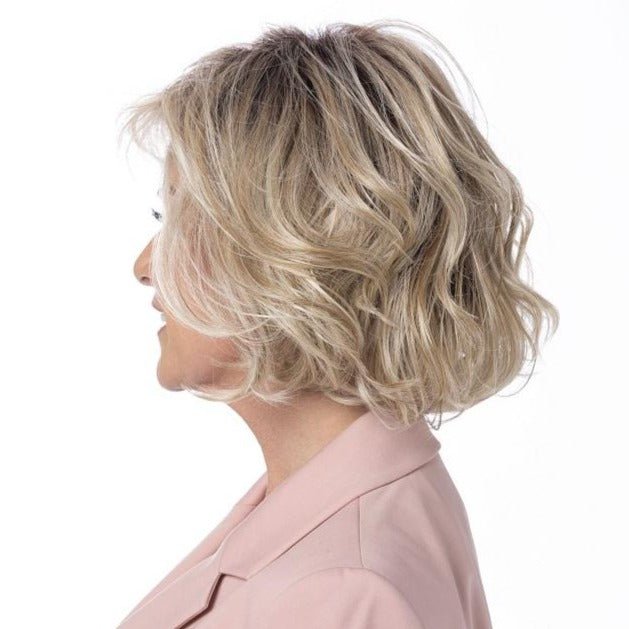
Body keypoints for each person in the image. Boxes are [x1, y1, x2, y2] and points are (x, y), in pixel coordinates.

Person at [117, 19, 559, 629]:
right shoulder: (334, 504)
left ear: (290, 252)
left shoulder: (339, 594)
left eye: (178, 220)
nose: (144, 266)